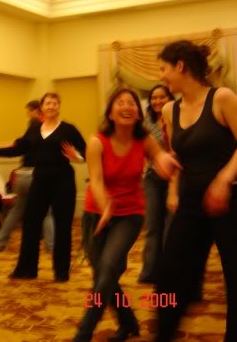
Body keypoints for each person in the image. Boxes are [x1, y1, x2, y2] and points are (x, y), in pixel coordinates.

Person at [72, 87, 179, 342]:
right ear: (110, 113)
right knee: (104, 275)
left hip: (130, 214)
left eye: (131, 103)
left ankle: (84, 332)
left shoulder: (144, 140)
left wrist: (166, 162)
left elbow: (159, 156)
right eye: (120, 102)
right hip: (95, 214)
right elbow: (96, 181)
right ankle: (128, 321)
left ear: (138, 113)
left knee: (109, 267)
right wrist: (105, 206)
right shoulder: (97, 142)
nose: (126, 106)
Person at [155, 40, 237, 342]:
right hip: (191, 201)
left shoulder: (222, 98)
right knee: (170, 273)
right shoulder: (169, 110)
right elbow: (177, 154)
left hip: (229, 200)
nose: (161, 76)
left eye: (163, 69)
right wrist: (171, 186)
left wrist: (224, 180)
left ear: (180, 66)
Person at [0, 92, 86, 281]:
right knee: (30, 224)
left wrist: (76, 157)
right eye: (48, 103)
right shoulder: (34, 129)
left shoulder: (68, 129)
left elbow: (86, 152)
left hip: (63, 180)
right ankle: (27, 269)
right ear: (42, 108)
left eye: (55, 103)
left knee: (63, 226)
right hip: (39, 179)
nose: (51, 106)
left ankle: (61, 272)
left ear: (59, 107)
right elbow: (19, 149)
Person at [0, 99, 54, 252]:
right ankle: (51, 246)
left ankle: (1, 239)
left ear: (36, 110)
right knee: (47, 212)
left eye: (29, 112)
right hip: (37, 175)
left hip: (22, 176)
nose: (28, 115)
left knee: (17, 209)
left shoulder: (33, 128)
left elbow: (18, 146)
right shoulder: (47, 128)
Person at [138, 85, 175, 284]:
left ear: (170, 98)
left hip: (175, 178)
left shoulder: (177, 117)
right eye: (154, 98)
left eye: (162, 97)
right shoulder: (146, 123)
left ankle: (168, 272)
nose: (157, 101)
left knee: (171, 227)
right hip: (152, 178)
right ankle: (149, 271)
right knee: (153, 226)